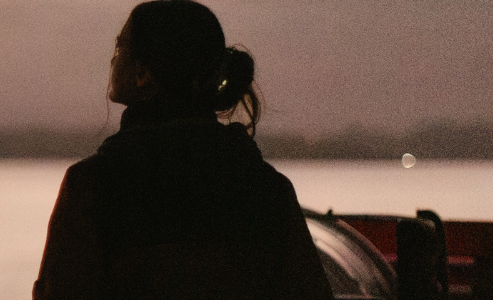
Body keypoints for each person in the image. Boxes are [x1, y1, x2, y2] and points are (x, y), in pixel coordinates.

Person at [32, 1, 333, 299]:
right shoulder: (268, 188)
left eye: (119, 47)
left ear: (143, 74)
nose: (112, 60)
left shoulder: (92, 186)